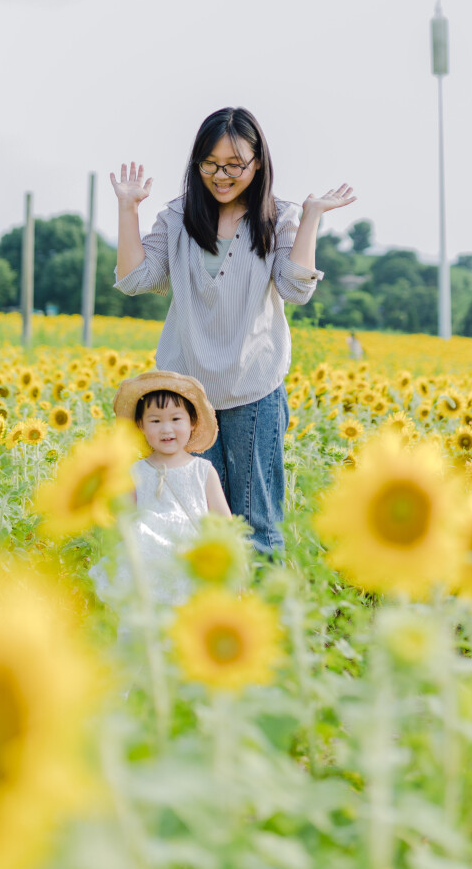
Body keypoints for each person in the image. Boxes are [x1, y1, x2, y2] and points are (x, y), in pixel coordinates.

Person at [110, 105, 355, 554]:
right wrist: (128, 209)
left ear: (257, 162)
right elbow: (134, 279)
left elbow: (295, 289)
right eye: (210, 164)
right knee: (194, 527)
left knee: (256, 526)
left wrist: (312, 216)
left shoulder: (278, 218)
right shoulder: (178, 217)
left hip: (253, 391)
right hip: (186, 397)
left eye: (234, 165)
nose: (221, 176)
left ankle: (264, 621)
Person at [107, 369, 230, 606]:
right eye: (155, 421)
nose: (166, 429)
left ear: (192, 422)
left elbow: (224, 522)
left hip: (193, 560)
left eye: (176, 419)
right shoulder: (135, 472)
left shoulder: (202, 470)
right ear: (141, 425)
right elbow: (123, 521)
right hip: (148, 566)